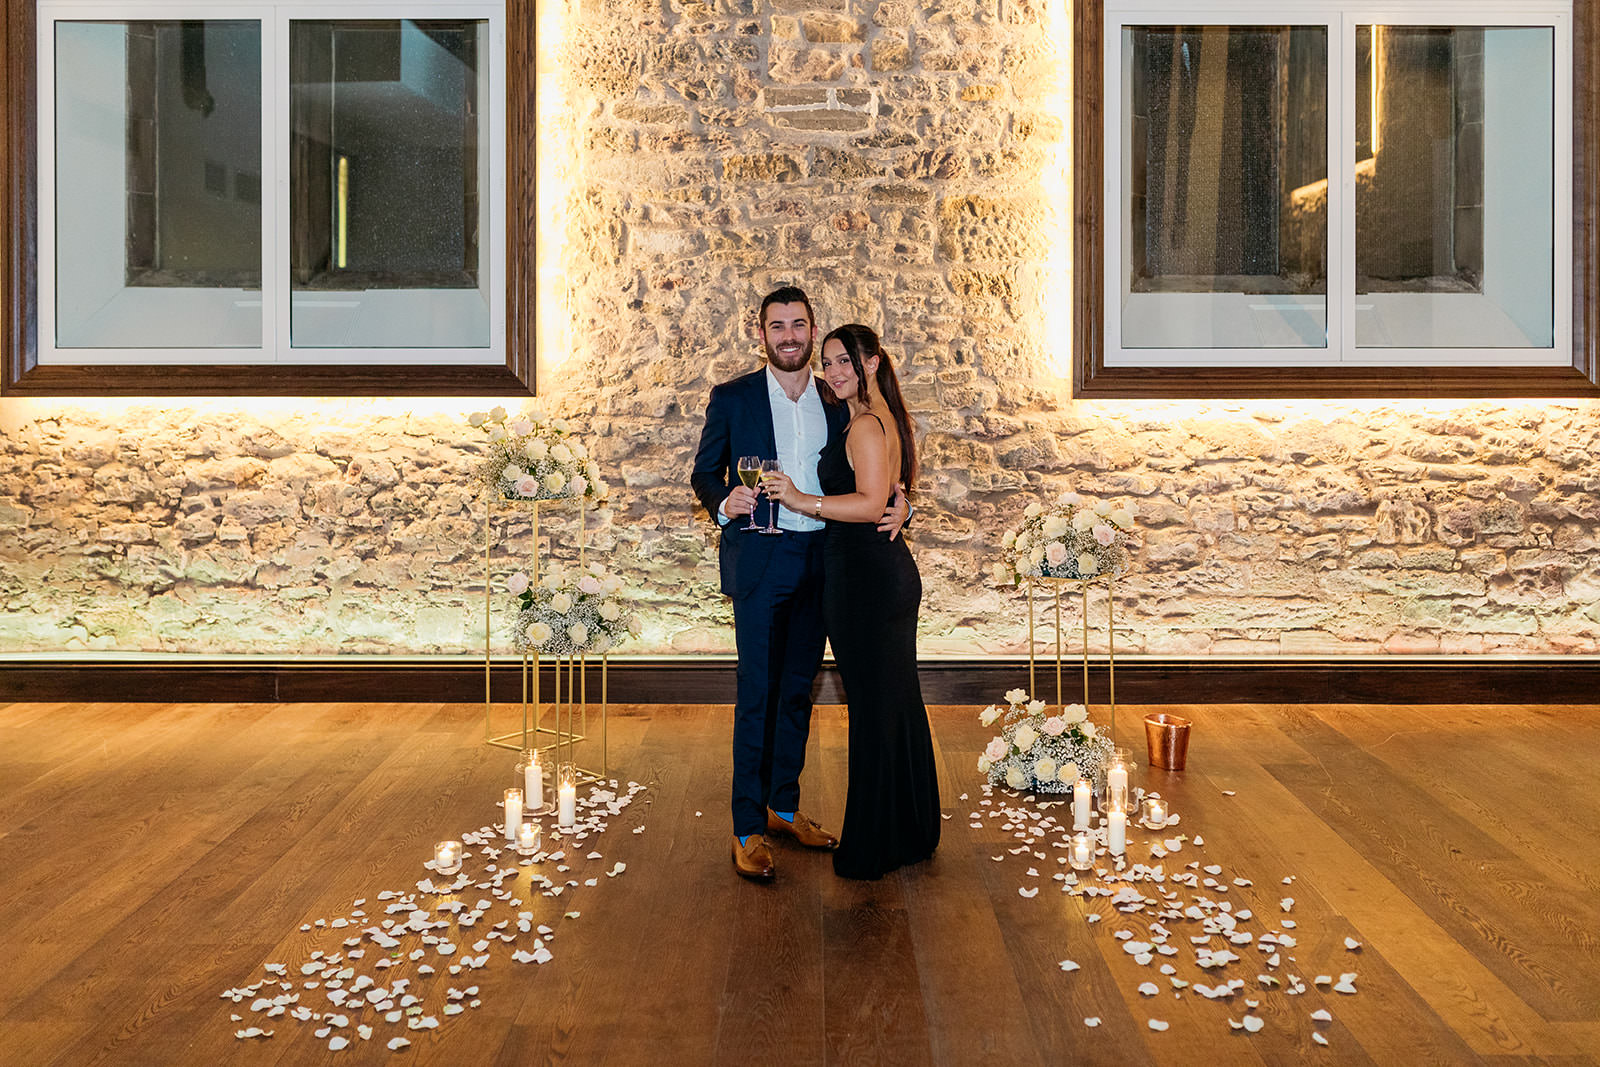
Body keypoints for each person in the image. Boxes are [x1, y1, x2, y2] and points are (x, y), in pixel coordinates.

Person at [691, 286, 908, 882]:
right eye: (777, 325)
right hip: (760, 563)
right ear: (759, 334)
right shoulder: (732, 398)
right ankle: (747, 827)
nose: (789, 336)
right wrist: (723, 503)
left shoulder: (837, 396)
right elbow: (704, 473)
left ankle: (783, 807)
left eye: (799, 325)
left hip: (825, 562)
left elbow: (877, 464)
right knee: (757, 694)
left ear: (813, 332)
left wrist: (901, 503)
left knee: (797, 692)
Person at [760, 324, 940, 880]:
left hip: (866, 579)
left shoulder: (864, 422)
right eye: (829, 362)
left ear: (871, 361)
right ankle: (909, 831)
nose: (834, 372)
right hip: (877, 575)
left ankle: (875, 843)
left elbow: (867, 504)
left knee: (873, 708)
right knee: (894, 704)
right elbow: (886, 492)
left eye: (844, 361)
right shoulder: (880, 416)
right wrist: (900, 503)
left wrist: (797, 498)